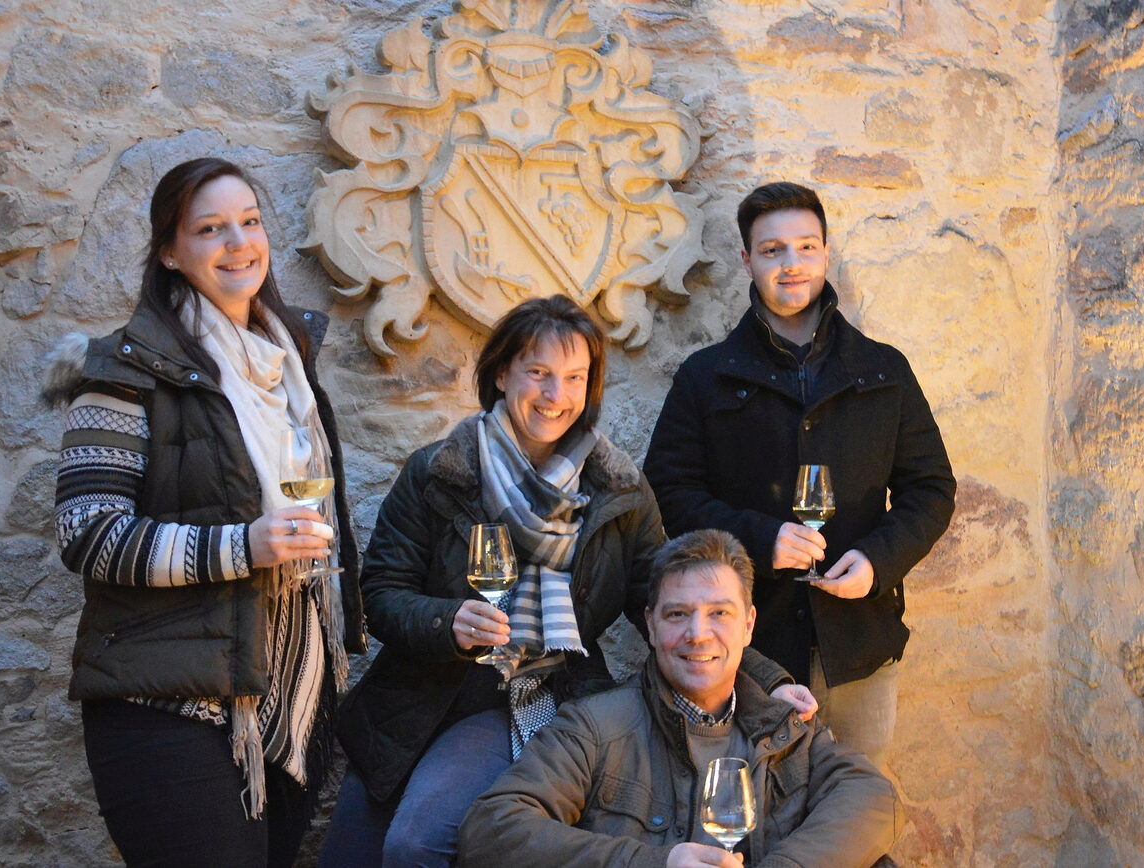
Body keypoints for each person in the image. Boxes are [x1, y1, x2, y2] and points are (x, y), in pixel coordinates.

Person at [318, 296, 815, 868]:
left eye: (574, 378)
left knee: (416, 845)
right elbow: (379, 594)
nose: (557, 396)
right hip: (415, 694)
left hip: (535, 695)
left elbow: (670, 605)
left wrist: (766, 680)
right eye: (539, 374)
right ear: (501, 374)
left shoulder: (617, 489)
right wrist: (446, 621)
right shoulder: (438, 472)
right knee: (349, 856)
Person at [42, 157, 364, 866]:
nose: (238, 243)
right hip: (168, 707)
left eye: (250, 222)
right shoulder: (122, 369)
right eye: (210, 228)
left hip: (286, 703)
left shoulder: (288, 367)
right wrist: (244, 545)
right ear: (170, 251)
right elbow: (88, 533)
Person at [643, 181, 956, 767]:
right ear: (747, 260)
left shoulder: (883, 369)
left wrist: (876, 563)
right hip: (748, 651)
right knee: (752, 812)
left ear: (826, 253)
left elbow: (932, 491)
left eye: (806, 247)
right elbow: (669, 493)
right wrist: (760, 540)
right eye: (772, 250)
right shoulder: (705, 377)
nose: (792, 265)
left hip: (861, 644)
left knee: (854, 811)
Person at [457, 529, 902, 868]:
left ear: (748, 625)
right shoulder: (595, 727)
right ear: (650, 626)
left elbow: (872, 797)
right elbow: (490, 830)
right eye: (677, 614)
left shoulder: (784, 725)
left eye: (718, 613)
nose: (697, 634)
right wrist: (655, 863)